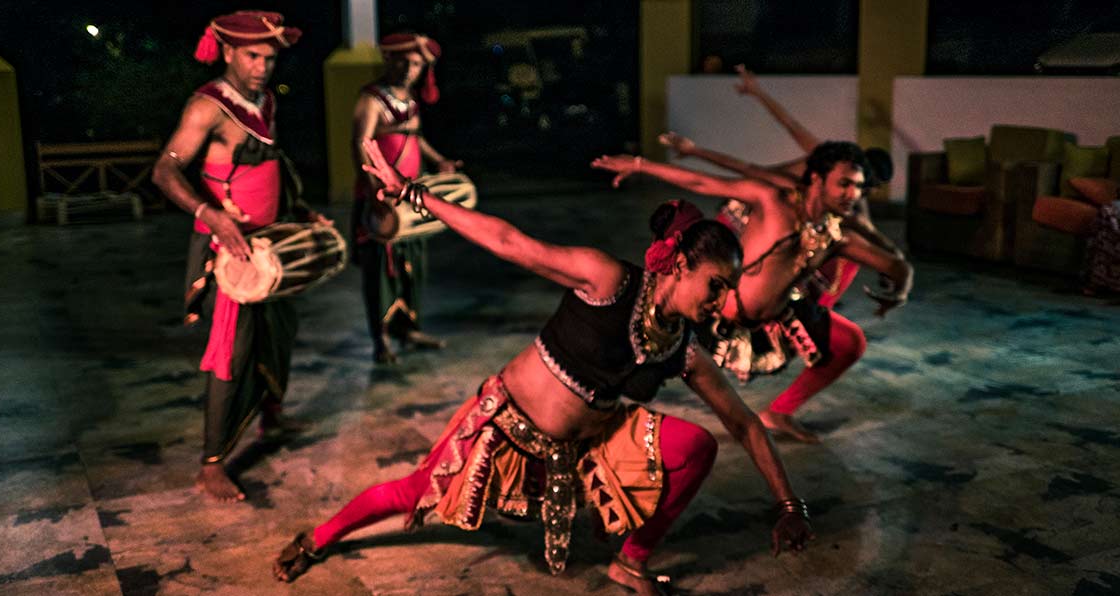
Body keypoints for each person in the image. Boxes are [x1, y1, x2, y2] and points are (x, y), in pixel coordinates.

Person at [273, 139, 814, 594]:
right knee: (414, 493)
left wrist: (789, 504)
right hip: (505, 425)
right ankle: (317, 537)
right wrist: (413, 193)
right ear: (679, 264)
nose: (721, 302)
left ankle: (631, 561)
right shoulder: (606, 280)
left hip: (586, 446)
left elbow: (744, 423)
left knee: (700, 445)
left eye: (727, 290)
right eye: (715, 285)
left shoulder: (681, 348)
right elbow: (509, 242)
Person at [593, 141, 913, 443]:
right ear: (817, 178)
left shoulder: (837, 236)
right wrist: (640, 165)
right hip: (715, 310)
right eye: (845, 184)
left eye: (859, 187)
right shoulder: (773, 200)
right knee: (641, 367)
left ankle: (779, 413)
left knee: (850, 343)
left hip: (774, 319)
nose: (853, 194)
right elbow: (704, 182)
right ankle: (588, 406)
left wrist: (898, 291)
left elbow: (898, 266)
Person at [151, 10, 328, 502]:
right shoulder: (207, 107)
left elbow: (273, 164)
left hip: (270, 246)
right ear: (227, 50)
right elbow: (164, 173)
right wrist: (212, 214)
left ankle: (270, 419)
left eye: (270, 58)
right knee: (233, 353)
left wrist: (303, 212)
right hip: (229, 251)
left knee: (280, 335)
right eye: (252, 55)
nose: (262, 66)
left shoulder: (266, 102)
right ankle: (211, 465)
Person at [658, 64, 901, 309]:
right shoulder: (821, 165)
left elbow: (870, 234)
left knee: (840, 248)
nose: (856, 192)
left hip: (770, 231)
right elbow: (765, 153)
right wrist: (695, 150)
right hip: (750, 212)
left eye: (862, 188)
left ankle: (801, 309)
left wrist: (893, 266)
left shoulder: (852, 202)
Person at [351, 33, 462, 363]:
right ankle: (380, 340)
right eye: (403, 61)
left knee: (411, 267)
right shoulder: (371, 99)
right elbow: (361, 143)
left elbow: (417, 139)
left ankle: (408, 328)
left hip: (409, 196)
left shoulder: (410, 100)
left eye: (416, 64)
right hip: (381, 197)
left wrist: (440, 160)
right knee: (380, 270)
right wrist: (373, 191)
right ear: (389, 60)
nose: (409, 69)